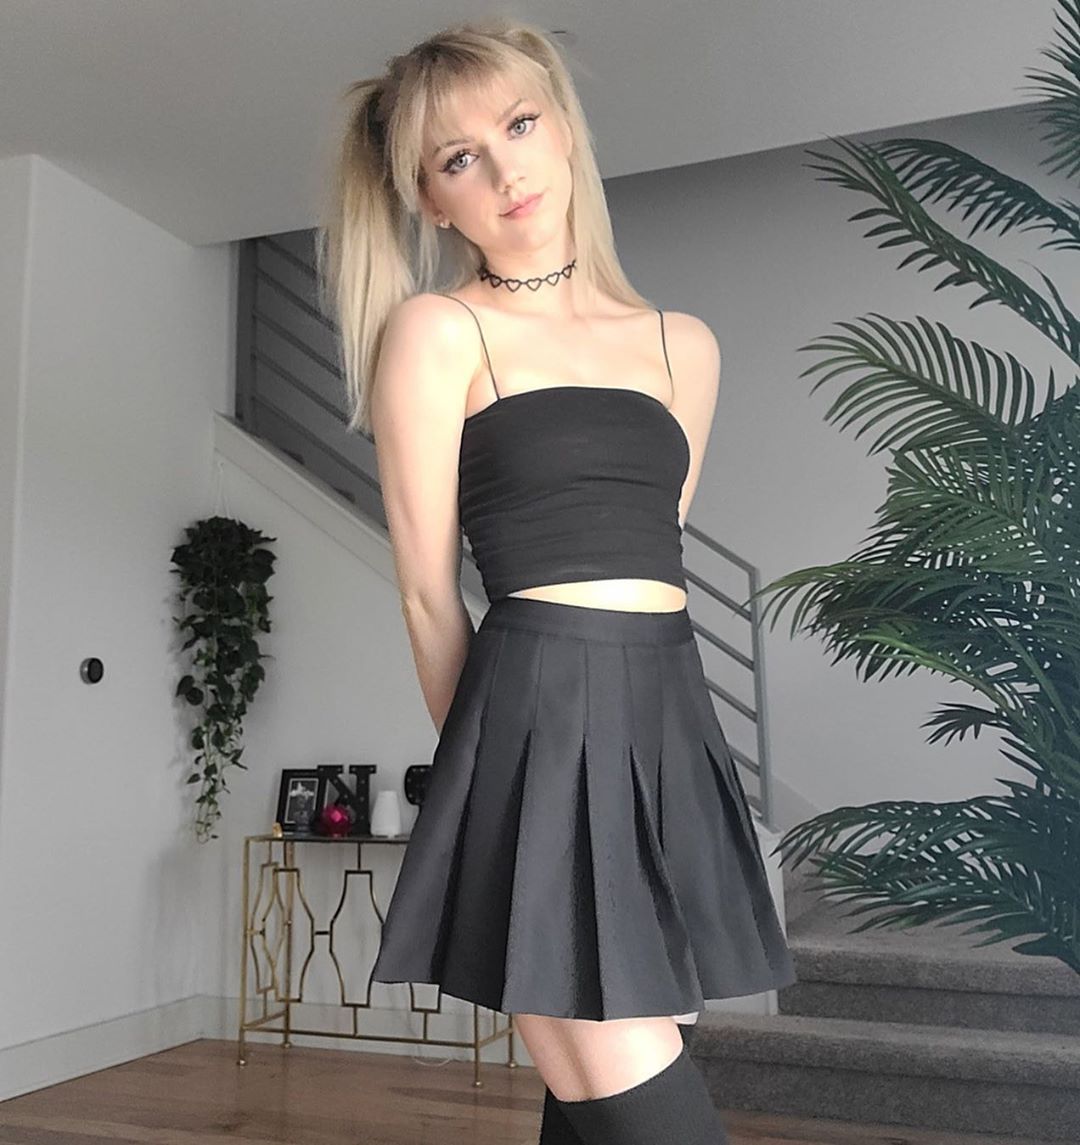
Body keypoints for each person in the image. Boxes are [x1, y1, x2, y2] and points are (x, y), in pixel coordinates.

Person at [316, 17, 796, 1144]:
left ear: (566, 130)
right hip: (536, 715)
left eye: (520, 124)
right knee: (638, 1095)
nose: (506, 170)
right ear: (433, 201)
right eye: (459, 157)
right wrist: (494, 784)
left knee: (599, 1099)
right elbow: (428, 596)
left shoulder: (685, 345)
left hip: (667, 718)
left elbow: (654, 553)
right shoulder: (439, 332)